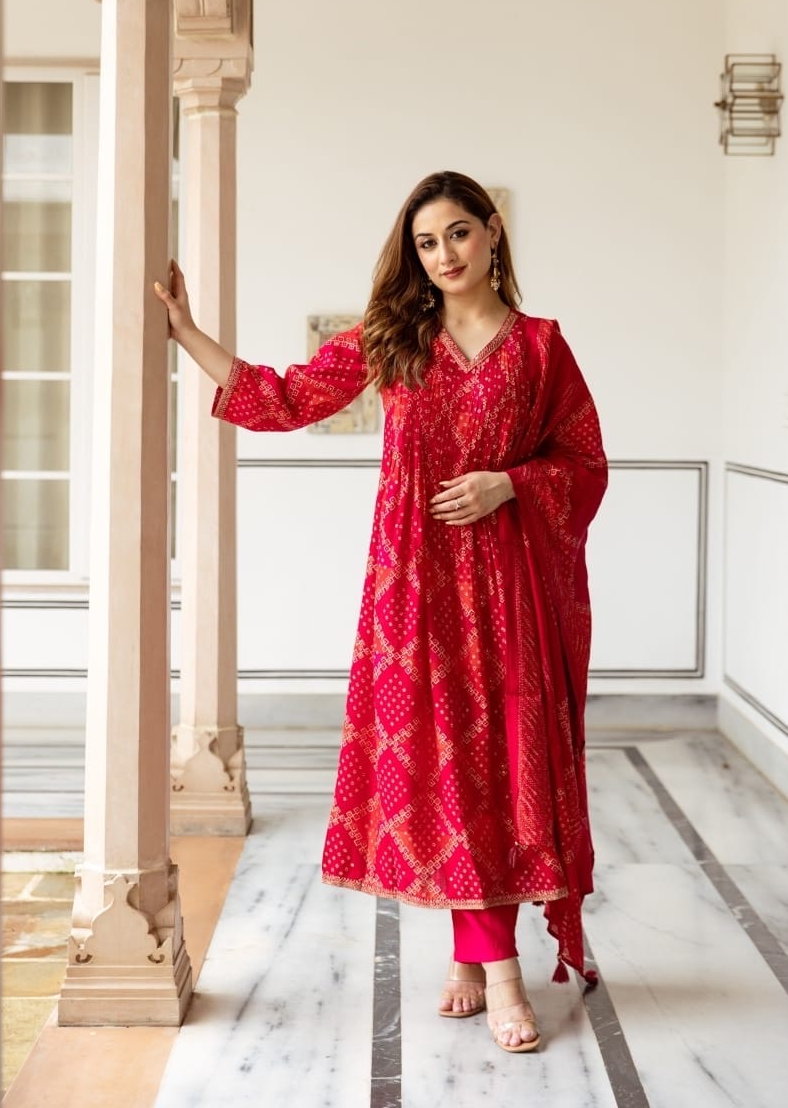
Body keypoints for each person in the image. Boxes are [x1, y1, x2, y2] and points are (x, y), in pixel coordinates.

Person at [154, 170, 607, 1054]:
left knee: (506, 770)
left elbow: (585, 464)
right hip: (417, 590)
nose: (444, 256)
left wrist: (509, 484)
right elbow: (283, 398)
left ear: (494, 235)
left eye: (459, 235)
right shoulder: (396, 339)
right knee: (449, 770)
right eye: (427, 244)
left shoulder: (543, 349)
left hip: (508, 590)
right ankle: (491, 964)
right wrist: (188, 335)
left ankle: (483, 964)